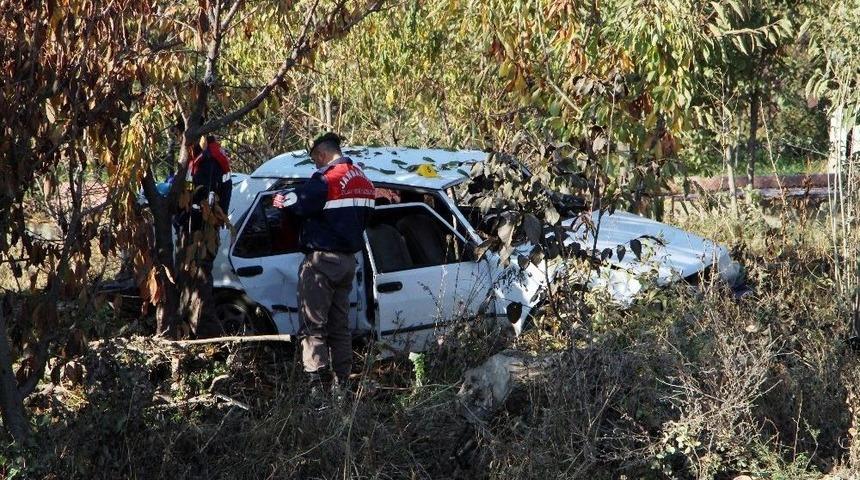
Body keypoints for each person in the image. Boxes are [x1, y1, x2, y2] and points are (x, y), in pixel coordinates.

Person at [274, 132, 375, 391]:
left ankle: (317, 391)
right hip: (348, 263)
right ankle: (343, 386)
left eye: (315, 160)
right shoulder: (364, 179)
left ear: (321, 154)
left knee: (313, 326)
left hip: (322, 262)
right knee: (340, 328)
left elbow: (293, 202)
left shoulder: (325, 180)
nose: (316, 166)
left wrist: (280, 200)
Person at [180, 135, 232, 336]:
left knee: (200, 288)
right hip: (198, 231)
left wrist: (183, 215)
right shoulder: (202, 157)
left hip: (201, 233)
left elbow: (203, 202)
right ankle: (196, 336)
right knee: (191, 287)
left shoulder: (209, 161)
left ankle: (212, 340)